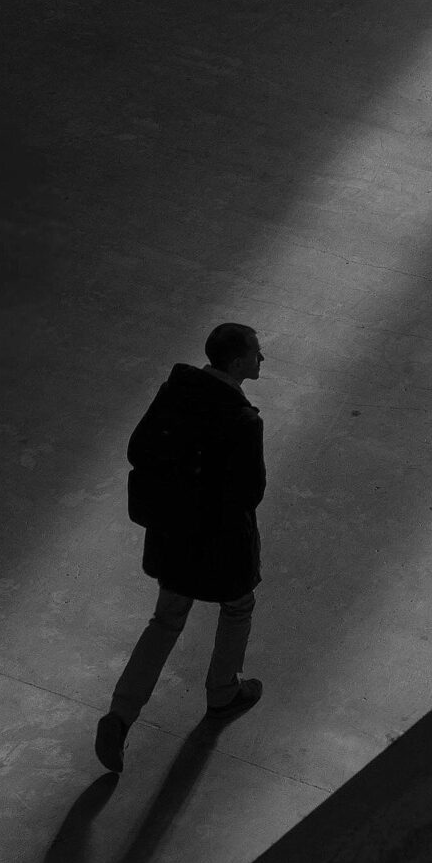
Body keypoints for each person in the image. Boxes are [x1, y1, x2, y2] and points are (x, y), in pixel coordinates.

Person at [95, 322, 268, 771]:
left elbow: (139, 449)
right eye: (256, 353)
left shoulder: (175, 391)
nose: (261, 359)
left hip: (173, 534)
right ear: (237, 363)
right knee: (238, 606)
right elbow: (249, 493)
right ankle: (223, 691)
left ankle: (120, 714)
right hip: (220, 543)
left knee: (167, 618)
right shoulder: (243, 420)